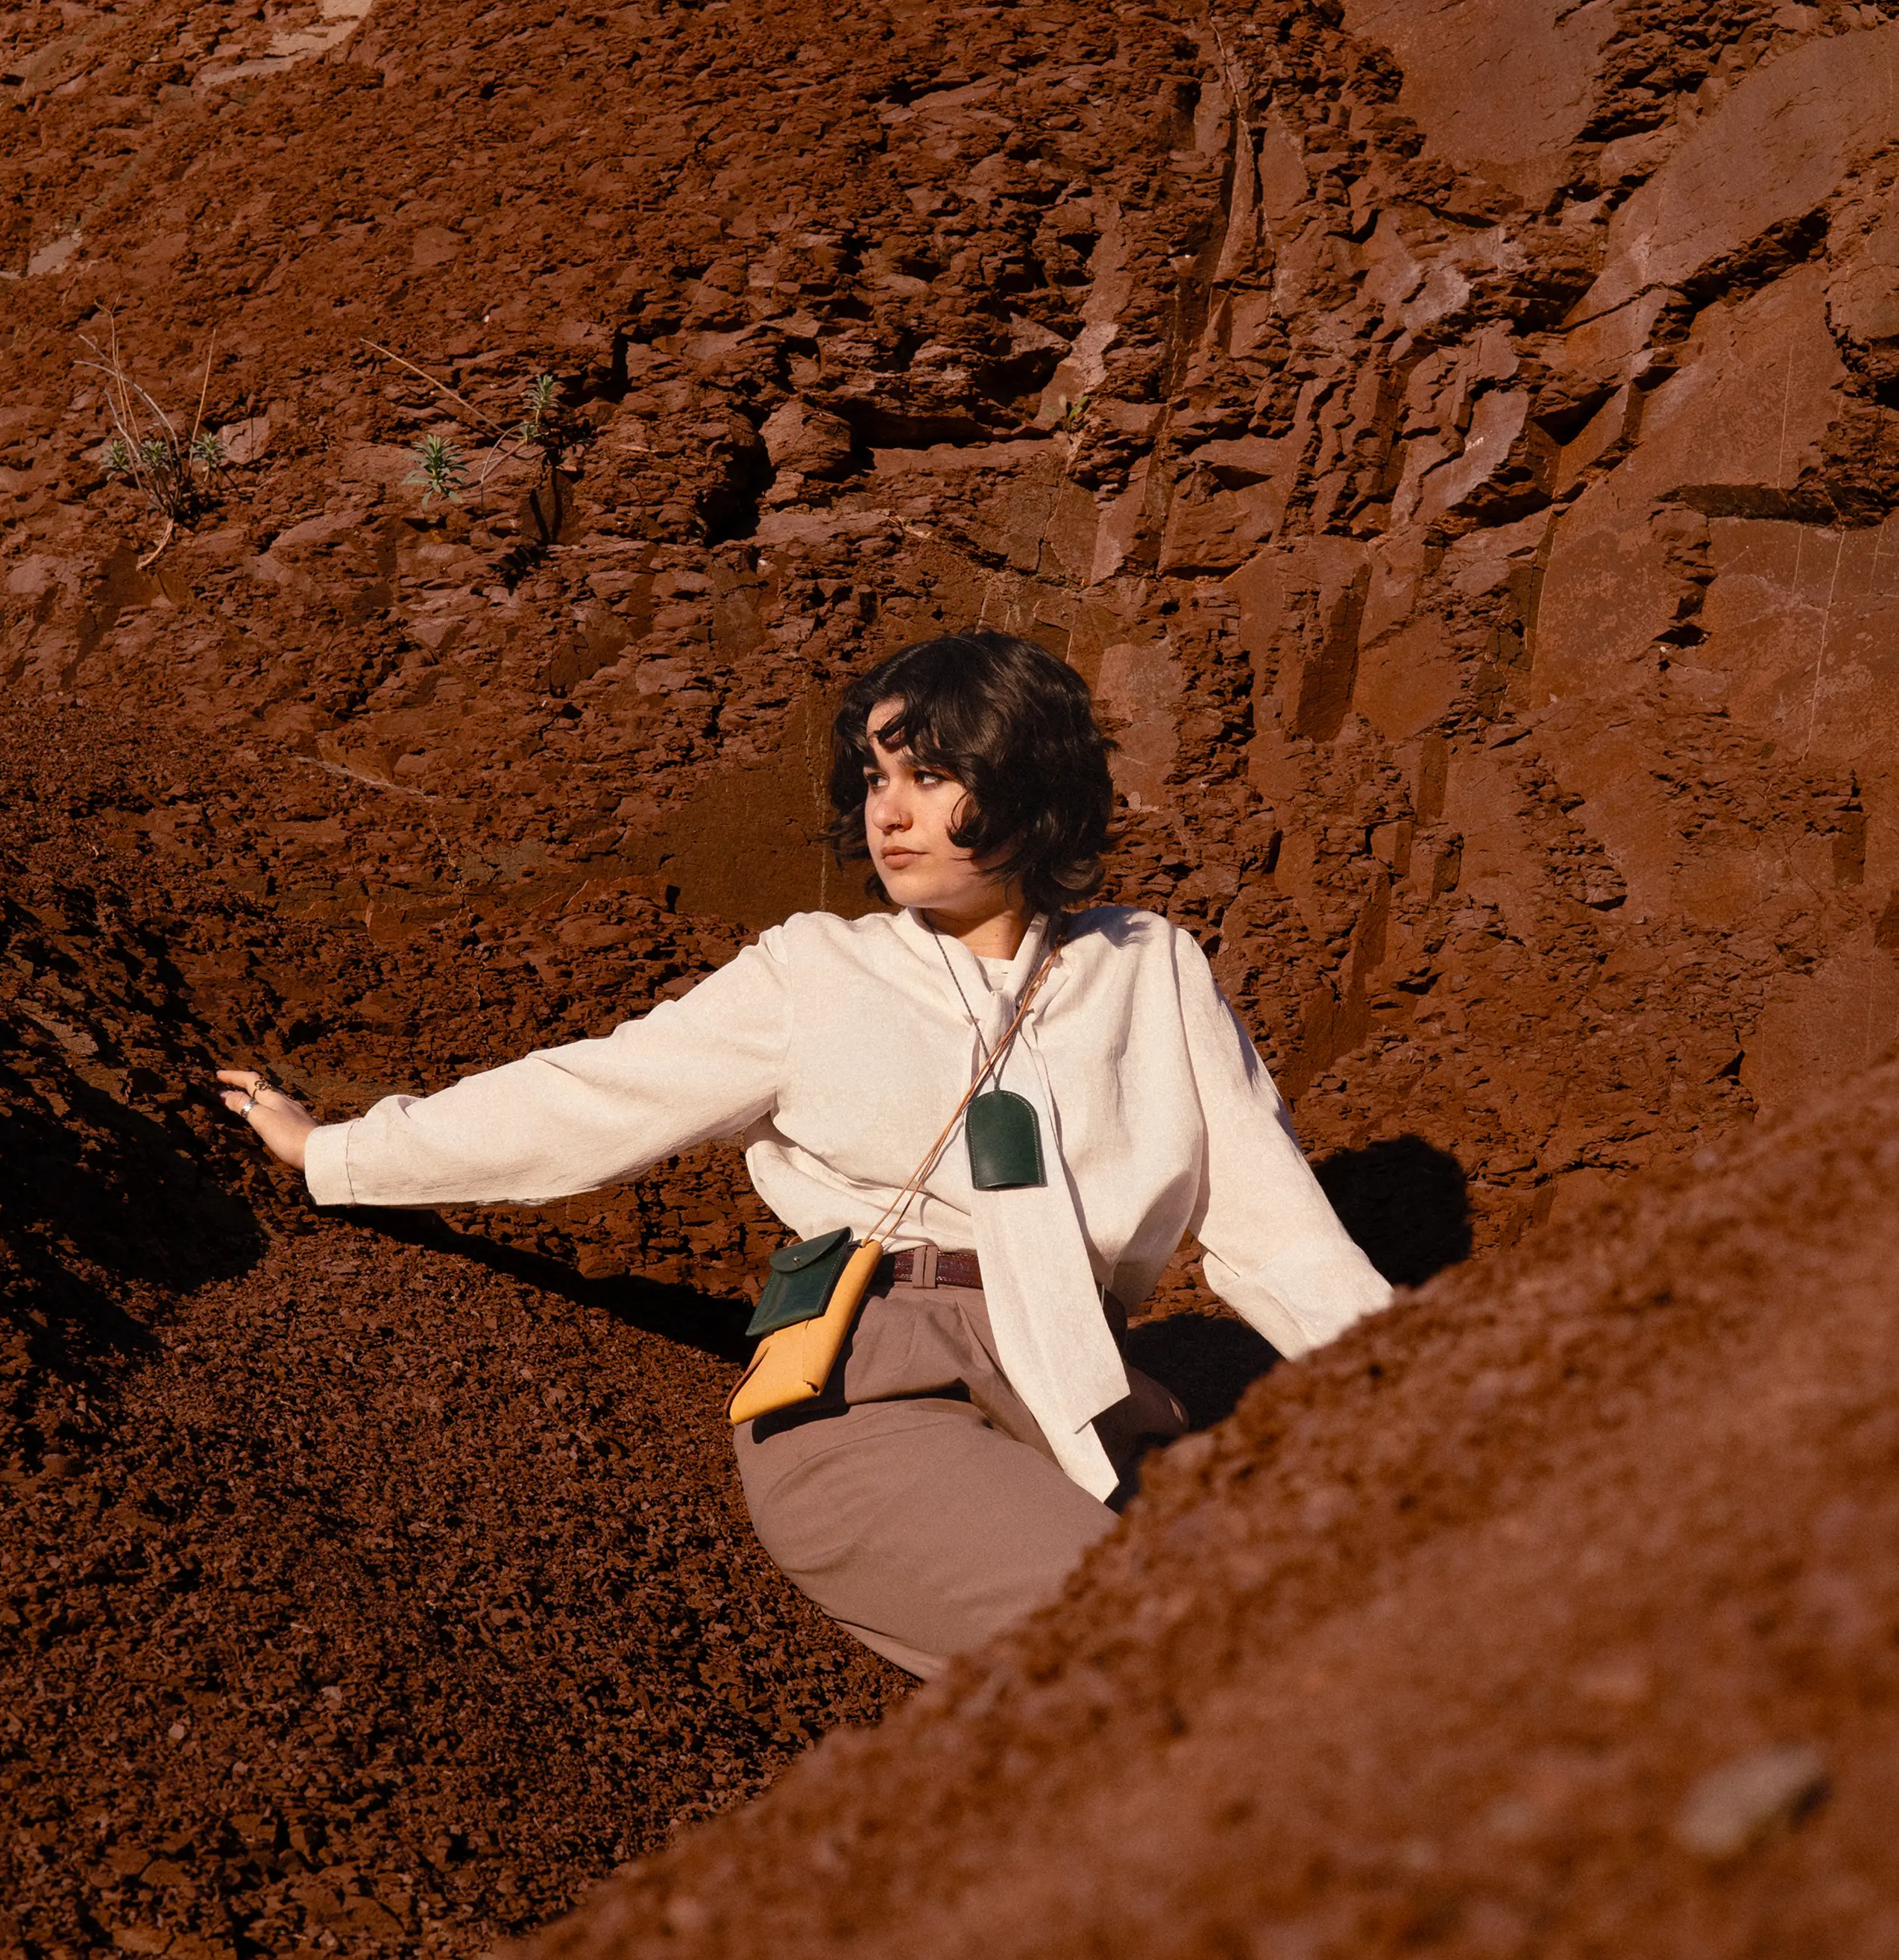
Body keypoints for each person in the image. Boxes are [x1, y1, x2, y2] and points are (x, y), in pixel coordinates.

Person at [220, 631, 1391, 1680]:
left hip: (1089, 1400)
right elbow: (592, 1099)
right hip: (875, 1392)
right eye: (876, 778)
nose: (887, 812)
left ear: (1027, 785)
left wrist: (1429, 1395)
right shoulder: (815, 970)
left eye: (929, 776)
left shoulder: (1151, 966)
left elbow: (1275, 1232)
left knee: (1309, 1647)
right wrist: (340, 1154)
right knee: (1159, 1642)